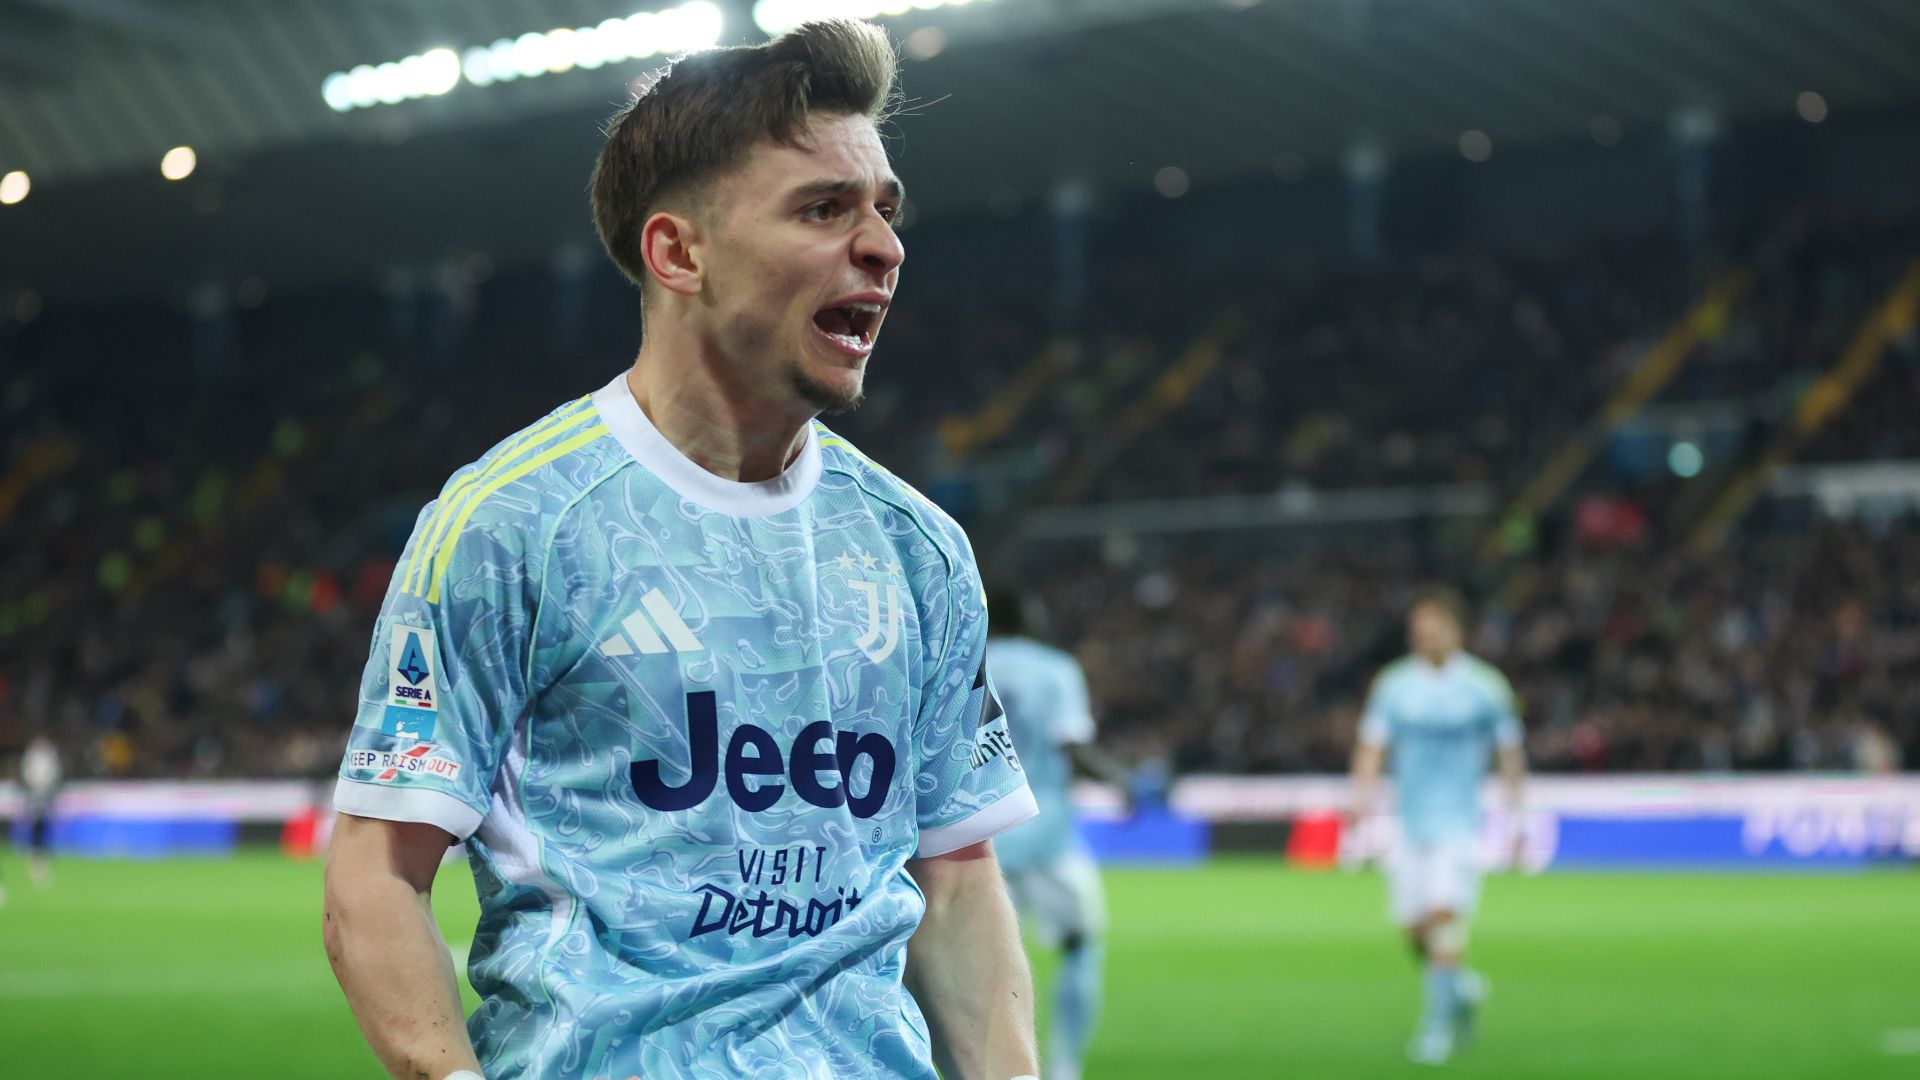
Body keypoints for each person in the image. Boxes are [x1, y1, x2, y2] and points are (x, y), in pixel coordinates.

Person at [322, 21, 1041, 1080]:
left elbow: (958, 877)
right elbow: (377, 874)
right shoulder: (512, 523)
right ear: (679, 253)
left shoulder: (917, 549)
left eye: (885, 211)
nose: (884, 247)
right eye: (825, 208)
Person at [1349, 585, 1526, 1065]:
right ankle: (1461, 988)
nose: (1424, 638)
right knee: (1414, 929)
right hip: (1410, 824)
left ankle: (1436, 1029)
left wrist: (1517, 815)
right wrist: (1361, 798)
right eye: (1418, 631)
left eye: (1432, 630)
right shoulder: (1394, 685)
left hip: (1460, 824)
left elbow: (1509, 752)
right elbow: (1372, 745)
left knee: (1444, 918)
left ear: (1456, 631)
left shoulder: (1486, 687)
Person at [985, 587, 1128, 1080]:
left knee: (984, 959)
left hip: (979, 838)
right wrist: (1122, 782)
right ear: (1027, 613)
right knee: (1080, 943)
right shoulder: (1054, 669)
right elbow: (1072, 745)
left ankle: (990, 1065)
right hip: (1046, 835)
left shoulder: (965, 659)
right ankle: (1064, 1066)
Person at [20, 733, 62, 892]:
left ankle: (41, 854)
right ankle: (36, 855)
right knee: (37, 825)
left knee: (44, 826)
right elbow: (28, 774)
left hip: (45, 794)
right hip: (36, 794)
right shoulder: (33, 758)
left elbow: (53, 774)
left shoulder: (46, 758)